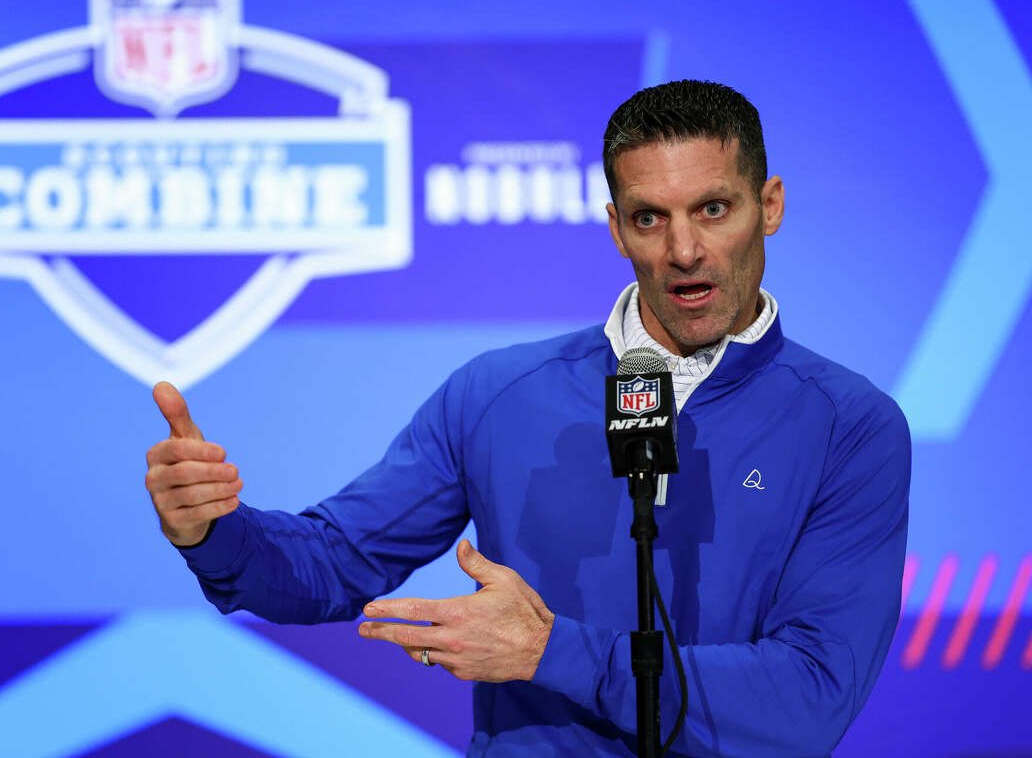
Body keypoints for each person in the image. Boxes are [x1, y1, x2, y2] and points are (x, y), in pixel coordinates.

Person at [143, 80, 911, 757]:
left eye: (713, 209)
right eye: (650, 218)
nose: (684, 249)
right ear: (615, 228)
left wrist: (555, 653)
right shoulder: (499, 394)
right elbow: (336, 563)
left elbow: (811, 703)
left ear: (768, 206)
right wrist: (214, 530)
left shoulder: (850, 425)